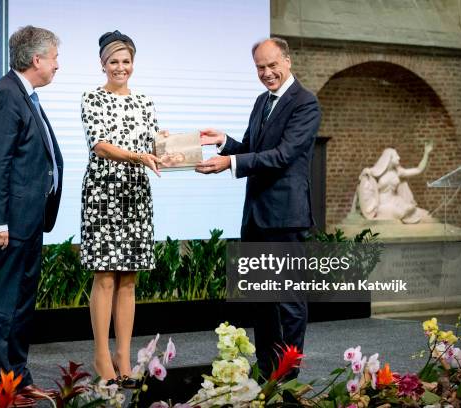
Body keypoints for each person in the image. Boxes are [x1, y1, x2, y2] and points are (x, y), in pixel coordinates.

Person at [196, 37, 321, 380]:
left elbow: (282, 156)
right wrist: (224, 142)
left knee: (289, 302)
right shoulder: (261, 101)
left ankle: (289, 376)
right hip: (256, 216)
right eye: (260, 68)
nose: (266, 73)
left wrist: (230, 162)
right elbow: (252, 149)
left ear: (288, 61)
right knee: (262, 301)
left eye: (272, 65)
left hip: (285, 218)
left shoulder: (305, 103)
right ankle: (268, 374)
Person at [0, 25, 63, 398]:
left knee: (22, 301)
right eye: (54, 58)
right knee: (3, 302)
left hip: (29, 219)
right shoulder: (7, 96)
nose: (58, 65)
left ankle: (17, 379)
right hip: (9, 223)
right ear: (37, 59)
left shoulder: (24, 95)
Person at [80, 30, 165, 387]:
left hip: (136, 194)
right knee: (104, 276)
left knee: (129, 278)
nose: (120, 67)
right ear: (102, 64)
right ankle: (102, 355)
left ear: (133, 63)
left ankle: (123, 359)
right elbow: (100, 145)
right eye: (113, 61)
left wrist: (181, 150)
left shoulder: (144, 101)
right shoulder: (90, 98)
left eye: (126, 61)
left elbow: (157, 141)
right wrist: (138, 156)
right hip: (102, 193)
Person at [356, 142, 433, 224]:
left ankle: (407, 213)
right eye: (396, 156)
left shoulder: (399, 172)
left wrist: (426, 153)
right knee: (399, 212)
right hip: (382, 203)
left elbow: (418, 170)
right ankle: (401, 213)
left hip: (396, 200)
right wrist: (365, 173)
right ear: (389, 158)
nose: (399, 158)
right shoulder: (376, 173)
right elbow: (365, 185)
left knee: (416, 211)